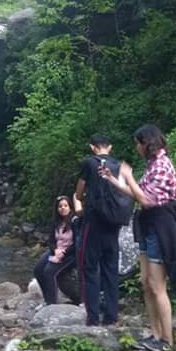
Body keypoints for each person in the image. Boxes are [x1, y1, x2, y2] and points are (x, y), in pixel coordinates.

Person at [101, 124, 176, 351]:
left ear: (146, 143)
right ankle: (155, 333)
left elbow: (147, 200)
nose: (136, 149)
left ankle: (167, 341)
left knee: (158, 287)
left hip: (160, 227)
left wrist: (128, 177)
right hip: (148, 226)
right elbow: (138, 194)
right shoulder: (152, 165)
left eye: (138, 144)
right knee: (146, 282)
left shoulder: (161, 166)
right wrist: (114, 179)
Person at [75, 134, 122, 326]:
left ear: (92, 147)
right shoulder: (118, 165)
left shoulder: (89, 163)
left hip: (93, 223)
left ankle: (93, 317)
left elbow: (79, 191)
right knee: (111, 269)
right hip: (113, 223)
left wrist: (79, 199)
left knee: (90, 269)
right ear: (110, 147)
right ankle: (112, 316)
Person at [33, 196, 78, 305]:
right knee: (38, 269)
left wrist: (64, 253)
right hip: (57, 250)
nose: (63, 208)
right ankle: (46, 299)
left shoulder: (75, 221)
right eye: (60, 206)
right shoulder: (56, 222)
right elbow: (51, 241)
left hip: (71, 253)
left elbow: (78, 243)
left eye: (65, 206)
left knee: (49, 272)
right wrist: (55, 251)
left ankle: (52, 304)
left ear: (70, 207)